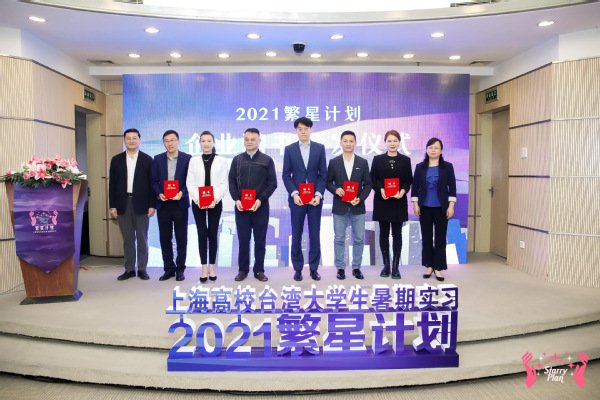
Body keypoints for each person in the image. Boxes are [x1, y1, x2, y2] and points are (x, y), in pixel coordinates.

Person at [228, 128, 277, 282]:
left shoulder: (267, 160)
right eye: (247, 139)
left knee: (260, 240)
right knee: (243, 240)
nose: (249, 142)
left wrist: (260, 199)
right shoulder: (237, 160)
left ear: (259, 141)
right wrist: (236, 199)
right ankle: (242, 270)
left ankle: (259, 270)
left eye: (253, 139)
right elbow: (231, 181)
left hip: (260, 207)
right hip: (241, 207)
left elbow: (272, 183)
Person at [282, 117, 327, 282]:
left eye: (306, 128)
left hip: (315, 200)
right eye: (300, 128)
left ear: (311, 130)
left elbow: (323, 174)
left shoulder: (319, 148)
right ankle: (298, 268)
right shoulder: (290, 149)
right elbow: (286, 175)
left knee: (314, 235)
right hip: (297, 200)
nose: (303, 131)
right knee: (296, 234)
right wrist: (294, 194)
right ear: (296, 131)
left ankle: (314, 269)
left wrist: (318, 194)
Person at [109, 128, 155, 281]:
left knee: (142, 238)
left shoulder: (147, 160)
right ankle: (129, 269)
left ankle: (142, 269)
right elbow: (112, 184)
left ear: (139, 140)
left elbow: (152, 185)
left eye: (134, 138)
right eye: (128, 138)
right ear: (124, 140)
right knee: (128, 239)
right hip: (123, 203)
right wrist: (112, 205)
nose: (131, 141)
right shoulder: (116, 160)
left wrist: (152, 205)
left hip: (142, 204)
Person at [326, 131, 372, 280]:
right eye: (345, 141)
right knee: (339, 238)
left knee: (358, 239)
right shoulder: (334, 162)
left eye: (351, 141)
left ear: (355, 143)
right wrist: (336, 190)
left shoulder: (362, 162)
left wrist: (360, 198)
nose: (348, 144)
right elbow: (328, 182)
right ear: (340, 143)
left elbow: (368, 184)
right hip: (340, 206)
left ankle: (356, 267)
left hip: (357, 206)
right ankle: (340, 268)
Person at [411, 137, 457, 282]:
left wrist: (451, 206)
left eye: (436, 148)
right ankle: (429, 265)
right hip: (424, 207)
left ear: (441, 151)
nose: (433, 150)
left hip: (442, 208)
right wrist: (415, 205)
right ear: (426, 150)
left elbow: (452, 188)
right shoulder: (420, 167)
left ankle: (438, 267)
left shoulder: (447, 167)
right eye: (430, 147)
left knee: (440, 238)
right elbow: (415, 187)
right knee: (426, 238)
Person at [186, 131, 229, 283]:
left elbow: (223, 183)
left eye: (209, 141)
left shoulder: (221, 161)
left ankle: (212, 267)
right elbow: (190, 183)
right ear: (199, 143)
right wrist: (198, 199)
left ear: (213, 142)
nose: (206, 144)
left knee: (212, 233)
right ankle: (203, 268)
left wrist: (214, 199)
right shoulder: (193, 161)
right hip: (198, 202)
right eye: (203, 141)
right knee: (202, 233)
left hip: (215, 202)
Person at [370, 130, 413, 279]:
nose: (392, 143)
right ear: (385, 142)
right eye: (389, 141)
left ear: (399, 142)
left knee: (397, 234)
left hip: (398, 201)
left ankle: (395, 267)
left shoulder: (405, 160)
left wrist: (403, 190)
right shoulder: (377, 159)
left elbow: (408, 180)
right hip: (382, 201)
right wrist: (381, 189)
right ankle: (386, 265)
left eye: (395, 141)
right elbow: (373, 179)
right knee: (383, 233)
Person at [151, 130, 192, 282]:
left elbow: (191, 181)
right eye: (167, 141)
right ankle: (169, 268)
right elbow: (153, 180)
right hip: (163, 204)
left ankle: (180, 269)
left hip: (180, 204)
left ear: (178, 142)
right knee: (165, 238)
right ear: (163, 143)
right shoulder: (157, 159)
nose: (170, 143)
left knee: (181, 238)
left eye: (173, 140)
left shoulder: (187, 158)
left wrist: (182, 193)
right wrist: (159, 193)